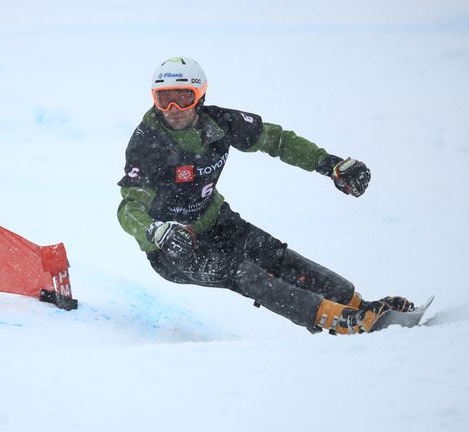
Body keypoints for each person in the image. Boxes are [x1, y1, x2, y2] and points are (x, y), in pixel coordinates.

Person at [117, 56, 413, 335]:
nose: (173, 108)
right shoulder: (147, 143)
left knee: (274, 254)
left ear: (200, 97)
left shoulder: (220, 123)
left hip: (215, 221)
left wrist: (330, 164)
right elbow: (128, 206)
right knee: (244, 273)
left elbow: (278, 141)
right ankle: (338, 320)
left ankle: (357, 306)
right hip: (173, 248)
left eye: (183, 97)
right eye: (163, 99)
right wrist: (156, 232)